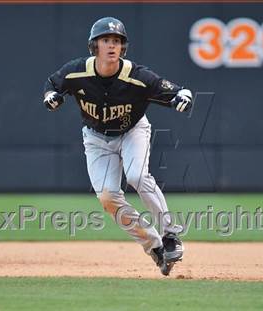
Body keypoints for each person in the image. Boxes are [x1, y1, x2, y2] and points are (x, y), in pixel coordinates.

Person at [43, 17, 192, 276]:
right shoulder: (77, 71)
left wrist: (183, 98)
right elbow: (53, 85)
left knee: (137, 175)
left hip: (133, 131)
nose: (112, 46)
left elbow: (178, 91)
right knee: (108, 197)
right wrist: (51, 97)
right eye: (106, 40)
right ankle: (155, 247)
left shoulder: (138, 76)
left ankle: (170, 235)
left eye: (117, 41)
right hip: (96, 138)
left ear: (123, 47)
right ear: (94, 45)